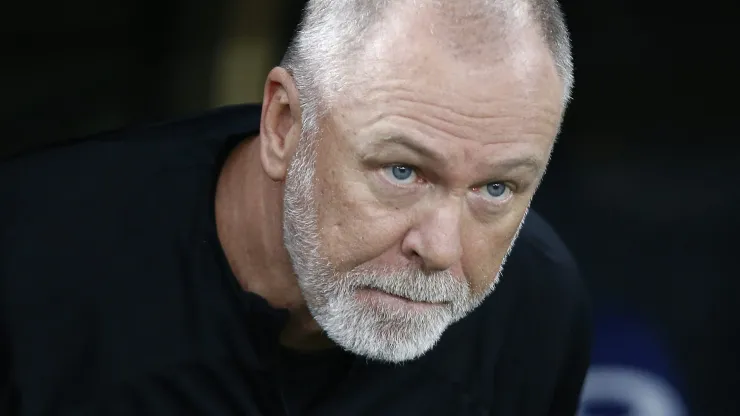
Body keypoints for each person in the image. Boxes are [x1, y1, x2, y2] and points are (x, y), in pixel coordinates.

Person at [0, 0, 591, 414]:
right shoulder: (28, 267)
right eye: (402, 171)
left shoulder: (535, 309)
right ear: (284, 125)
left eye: (496, 189)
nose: (440, 248)